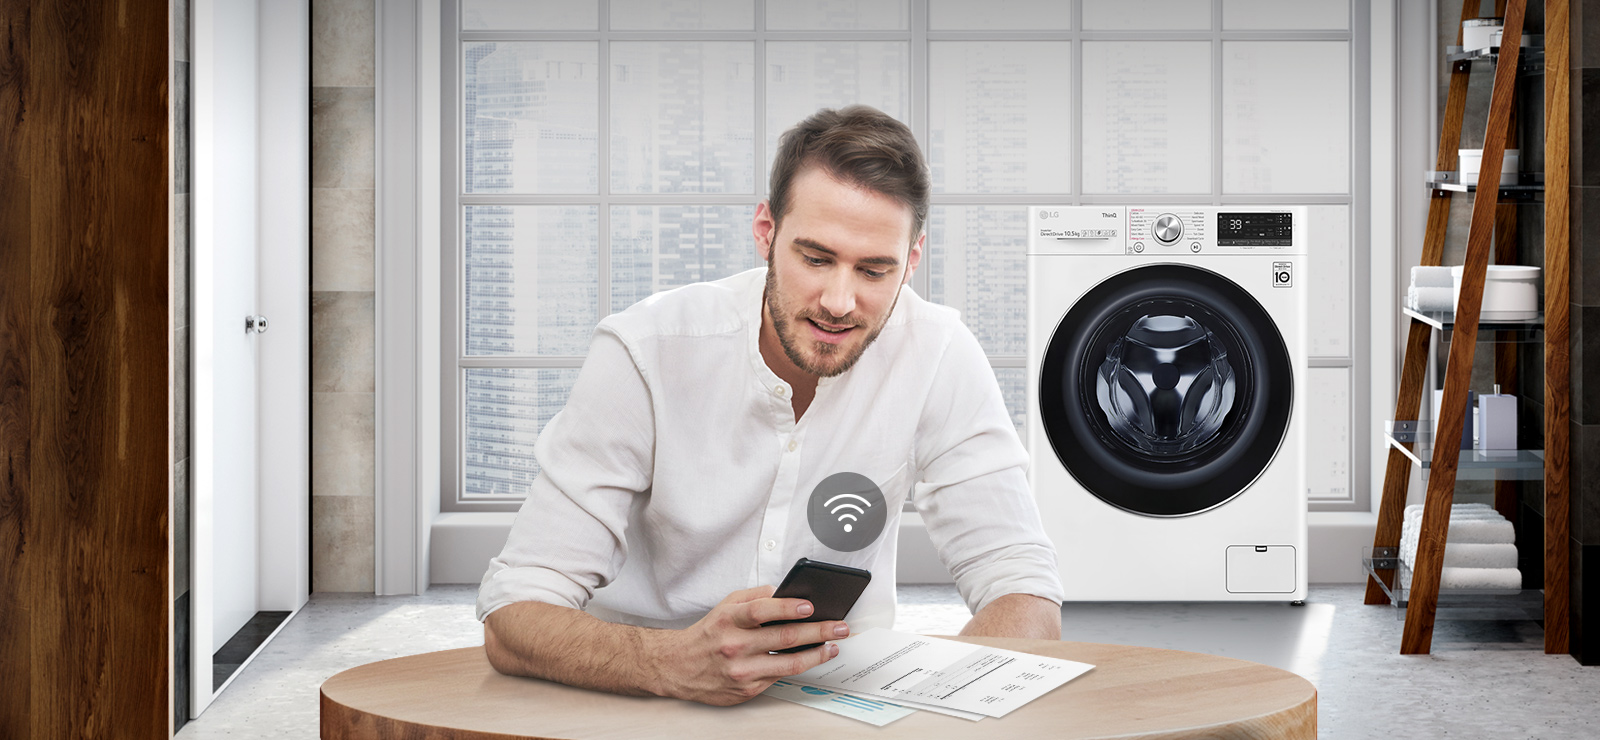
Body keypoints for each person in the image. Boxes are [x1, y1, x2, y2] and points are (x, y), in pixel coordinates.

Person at [478, 105, 1064, 707]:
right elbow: (515, 613)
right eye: (815, 259)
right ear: (766, 232)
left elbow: (1021, 586)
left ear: (911, 260)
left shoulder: (938, 352)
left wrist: (942, 710)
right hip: (647, 697)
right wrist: (668, 662)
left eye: (874, 270)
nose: (839, 302)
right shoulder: (645, 350)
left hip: (839, 704)